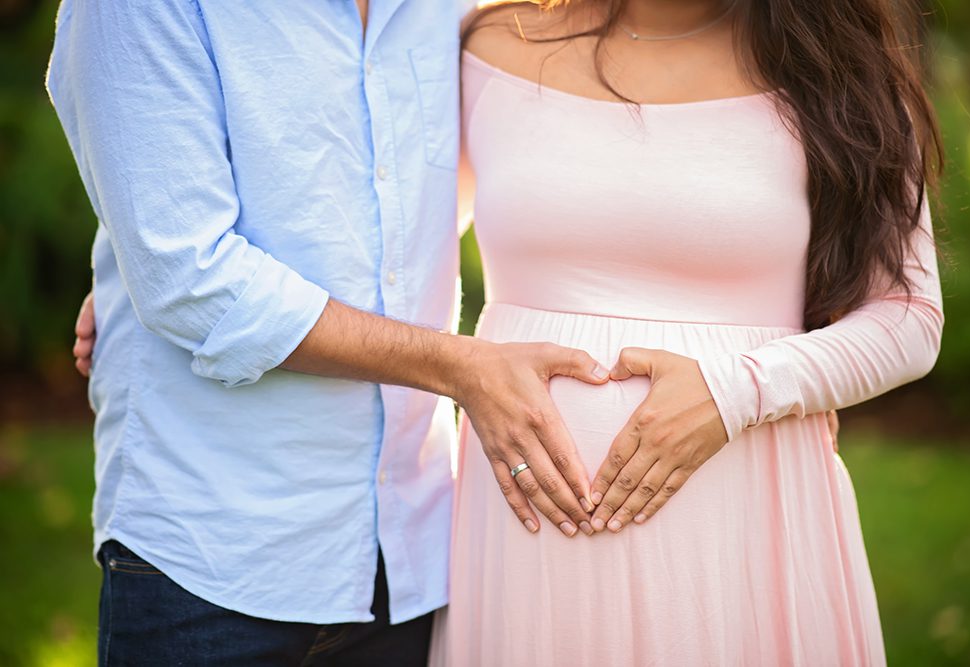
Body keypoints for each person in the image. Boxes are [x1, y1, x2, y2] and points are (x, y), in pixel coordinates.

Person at [48, 1, 613, 664]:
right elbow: (189, 281)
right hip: (213, 559)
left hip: (409, 558)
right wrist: (461, 365)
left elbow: (415, 192)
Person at [429, 0, 944, 665]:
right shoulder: (486, 47)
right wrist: (459, 365)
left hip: (744, 530)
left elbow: (908, 315)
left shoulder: (838, 71)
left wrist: (738, 390)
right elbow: (395, 259)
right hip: (528, 539)